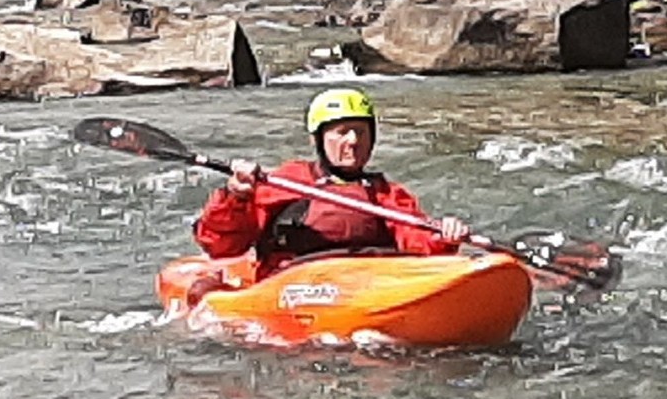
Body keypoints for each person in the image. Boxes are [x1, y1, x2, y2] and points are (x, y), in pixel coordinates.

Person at [192, 88, 470, 278]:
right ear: (319, 140)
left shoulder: (385, 193)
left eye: (361, 132)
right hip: (294, 283)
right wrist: (235, 197)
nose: (353, 141)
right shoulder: (286, 182)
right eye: (342, 132)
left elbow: (417, 241)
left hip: (367, 282)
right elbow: (221, 245)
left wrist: (442, 236)